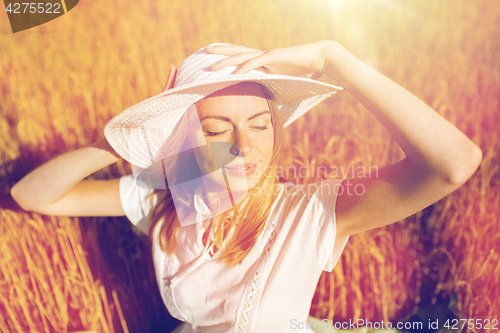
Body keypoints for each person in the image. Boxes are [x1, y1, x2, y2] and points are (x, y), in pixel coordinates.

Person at [10, 41, 482, 333]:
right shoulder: (165, 195)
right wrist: (120, 143)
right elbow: (32, 196)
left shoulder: (311, 214)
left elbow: (453, 164)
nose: (246, 148)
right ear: (184, 138)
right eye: (217, 130)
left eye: (260, 124)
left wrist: (333, 59)